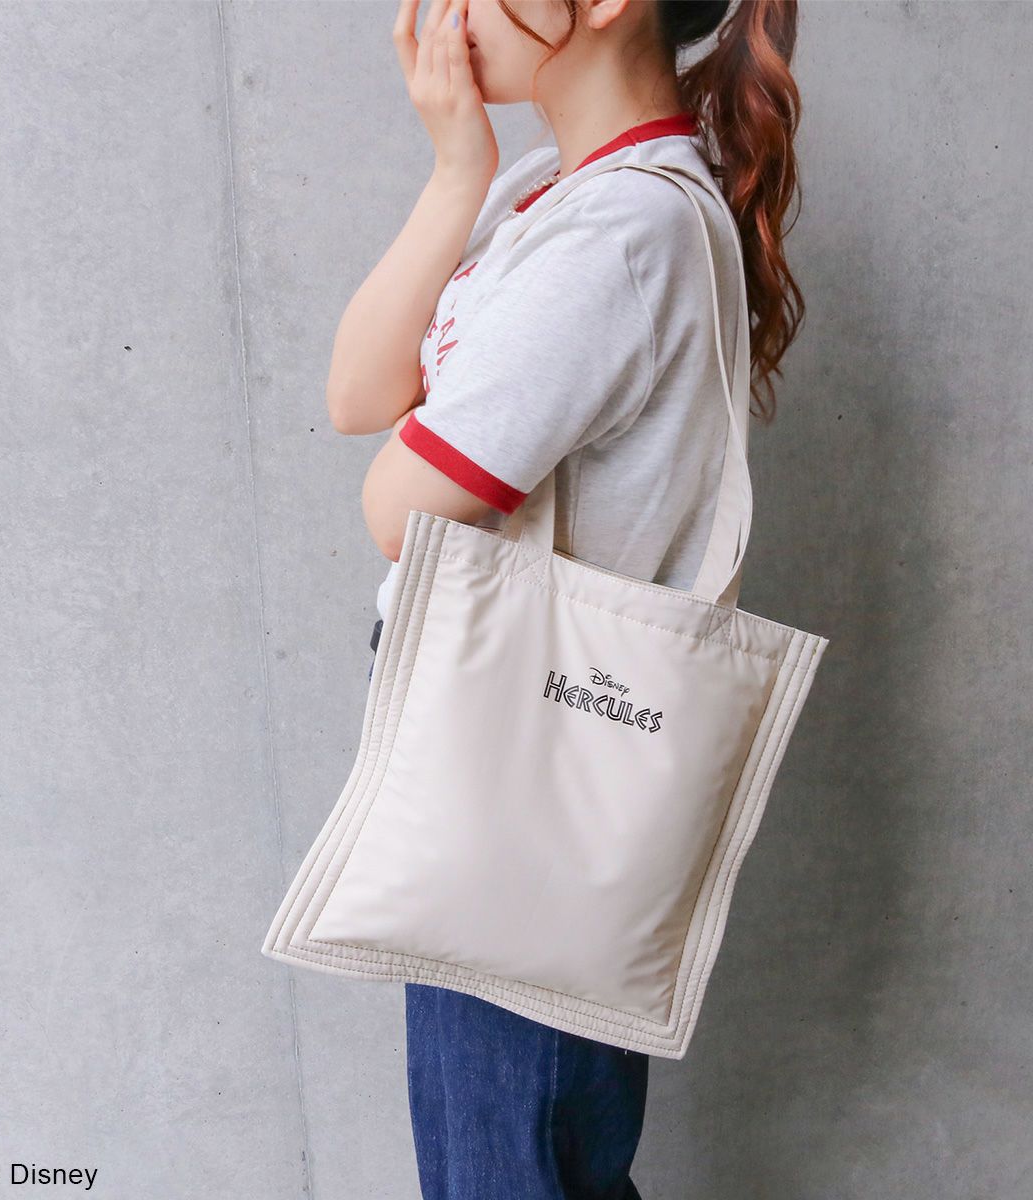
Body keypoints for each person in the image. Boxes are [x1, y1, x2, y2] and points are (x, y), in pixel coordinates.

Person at [331, 0, 804, 1194]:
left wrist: (417, 446)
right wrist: (457, 173)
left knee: (508, 1169)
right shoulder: (550, 194)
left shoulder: (625, 233)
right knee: (528, 1164)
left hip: (527, 772)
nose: (439, 13)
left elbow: (401, 508)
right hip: (500, 759)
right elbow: (357, 395)